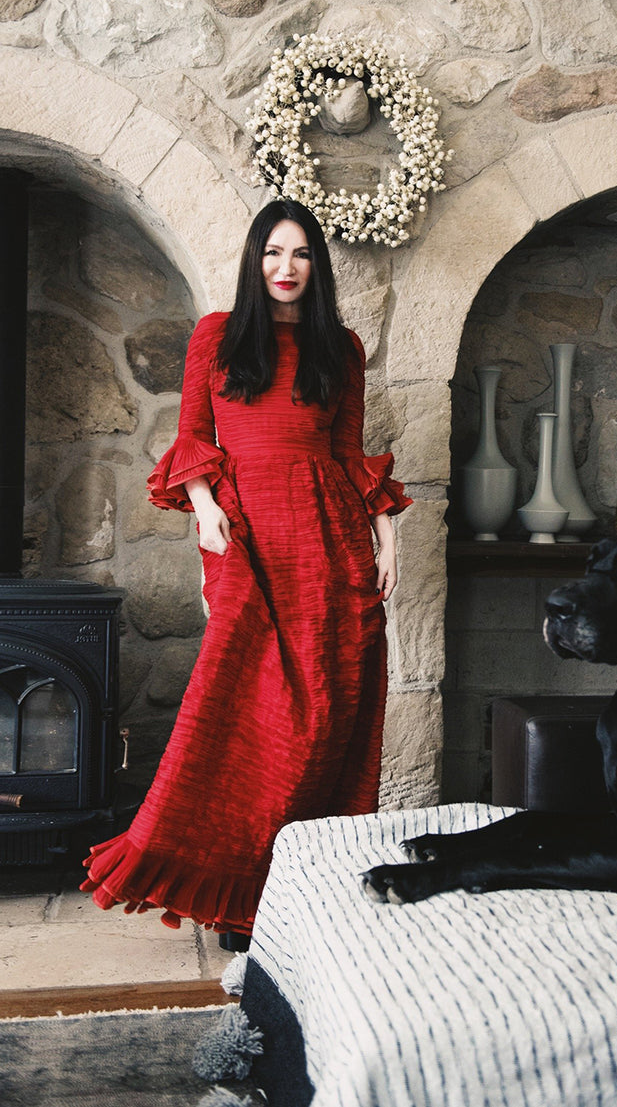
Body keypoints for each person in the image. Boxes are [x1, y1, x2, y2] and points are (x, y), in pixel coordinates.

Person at [81, 199, 412, 944]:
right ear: (254, 259)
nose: (285, 268)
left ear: (316, 266)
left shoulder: (343, 348)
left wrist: (387, 537)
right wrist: (204, 508)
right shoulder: (217, 337)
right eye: (272, 252)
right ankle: (232, 886)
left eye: (299, 254)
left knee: (327, 709)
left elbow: (350, 456)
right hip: (244, 532)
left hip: (328, 534)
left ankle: (297, 885)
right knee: (243, 704)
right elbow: (195, 436)